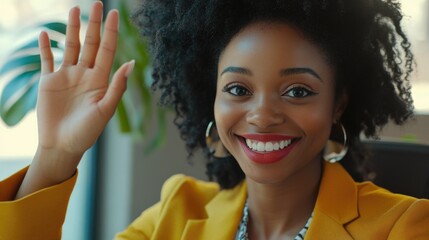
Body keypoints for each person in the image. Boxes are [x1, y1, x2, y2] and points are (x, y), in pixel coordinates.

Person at [0, 0, 428, 239]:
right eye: (238, 90)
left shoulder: (402, 227)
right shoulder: (176, 213)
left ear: (338, 103)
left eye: (298, 91)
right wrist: (55, 157)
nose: (261, 115)